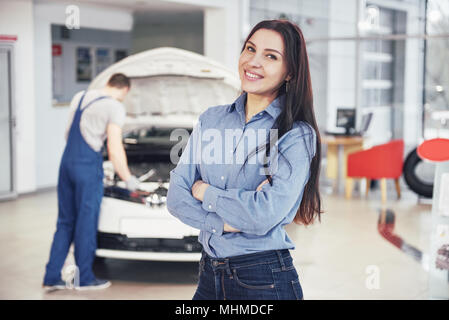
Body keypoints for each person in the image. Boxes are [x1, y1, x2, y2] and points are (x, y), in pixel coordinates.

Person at [167, 19, 322, 300]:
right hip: (209, 274)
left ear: (289, 73)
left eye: (271, 56)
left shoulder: (296, 135)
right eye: (250, 49)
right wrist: (227, 222)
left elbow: (264, 215)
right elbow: (176, 198)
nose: (254, 62)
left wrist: (204, 191)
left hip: (263, 278)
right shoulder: (211, 119)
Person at [43, 73, 140, 290]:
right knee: (86, 222)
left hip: (67, 163)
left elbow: (68, 133)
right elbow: (115, 150)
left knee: (65, 221)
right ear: (125, 90)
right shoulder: (115, 107)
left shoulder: (80, 97)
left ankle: (51, 276)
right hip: (87, 167)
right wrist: (129, 180)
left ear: (108, 83)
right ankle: (84, 278)